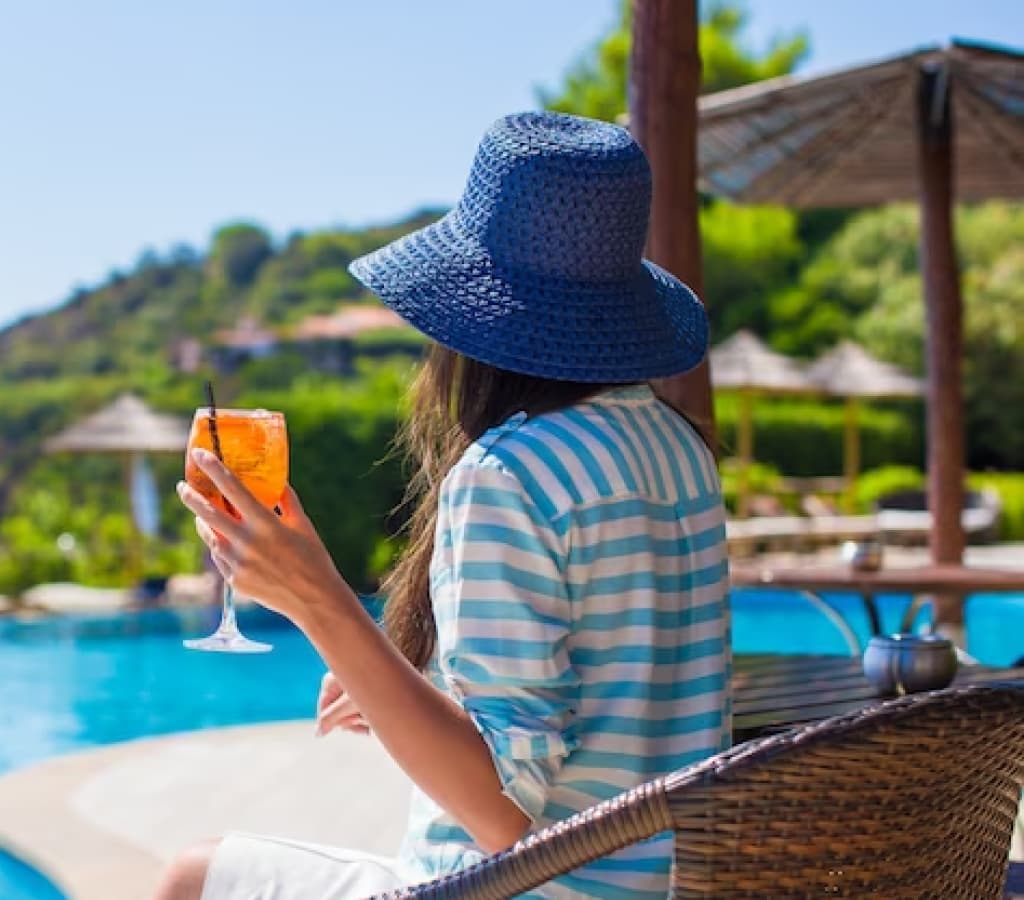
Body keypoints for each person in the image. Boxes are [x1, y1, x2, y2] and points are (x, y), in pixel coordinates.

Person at [160, 111, 729, 900]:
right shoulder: (679, 448)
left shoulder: (509, 473)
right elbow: (604, 684)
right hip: (670, 887)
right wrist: (409, 684)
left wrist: (319, 602)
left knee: (189, 877)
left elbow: (504, 817)